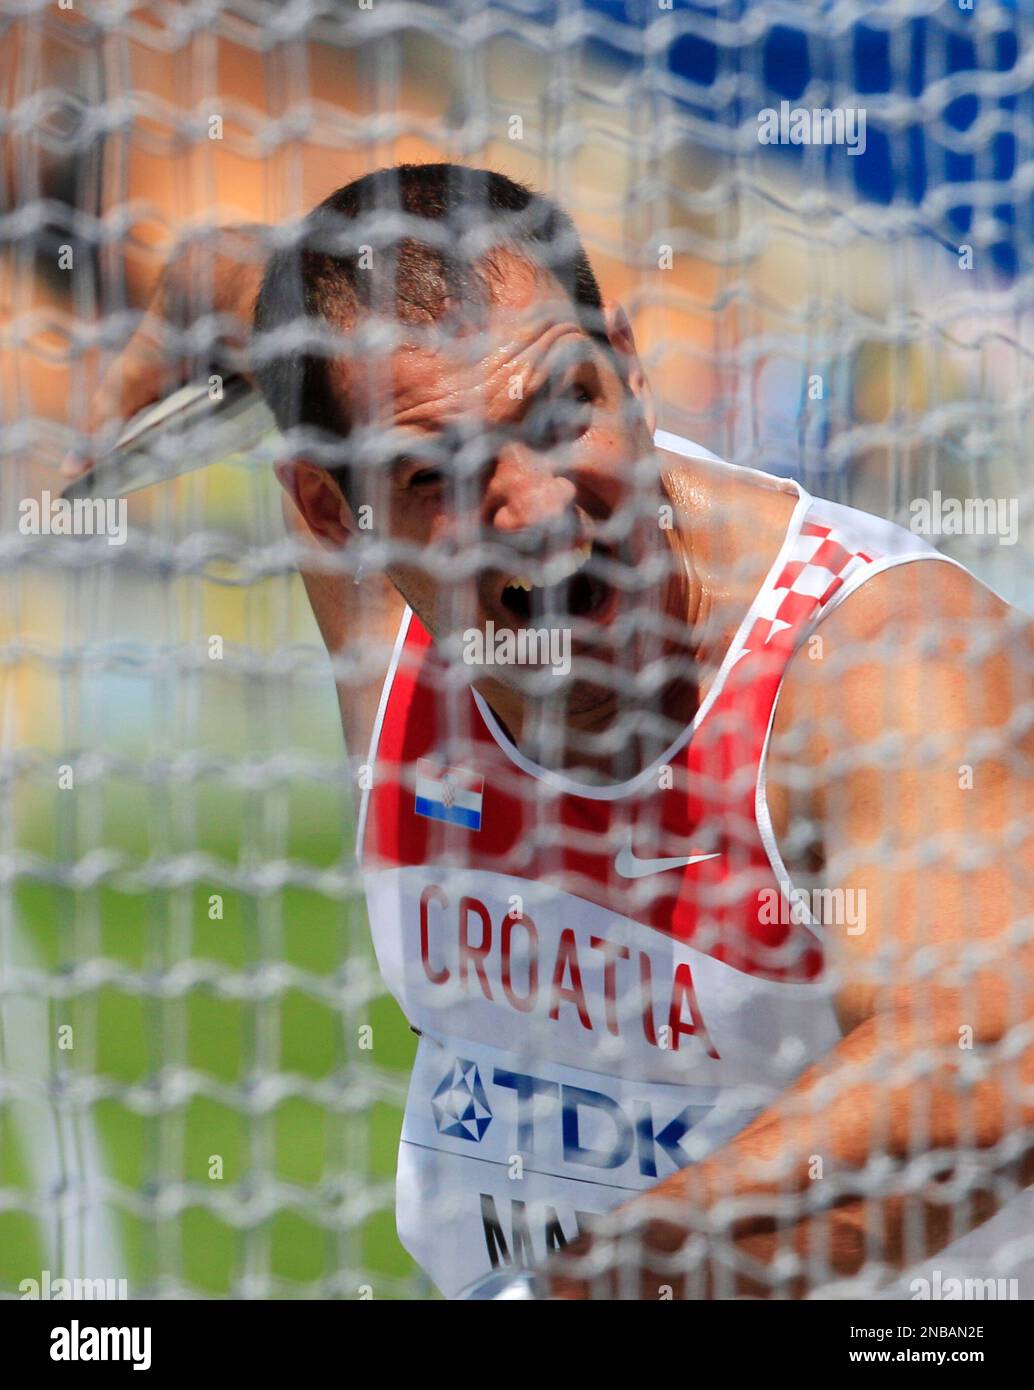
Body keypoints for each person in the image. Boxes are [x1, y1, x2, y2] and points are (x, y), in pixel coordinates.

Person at [69, 162, 1034, 1300]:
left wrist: (591, 1284)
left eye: (562, 410)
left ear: (628, 366)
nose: (531, 509)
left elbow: (987, 1072)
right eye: (441, 472)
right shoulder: (382, 609)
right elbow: (242, 277)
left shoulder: (877, 659)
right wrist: (186, 296)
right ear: (337, 515)